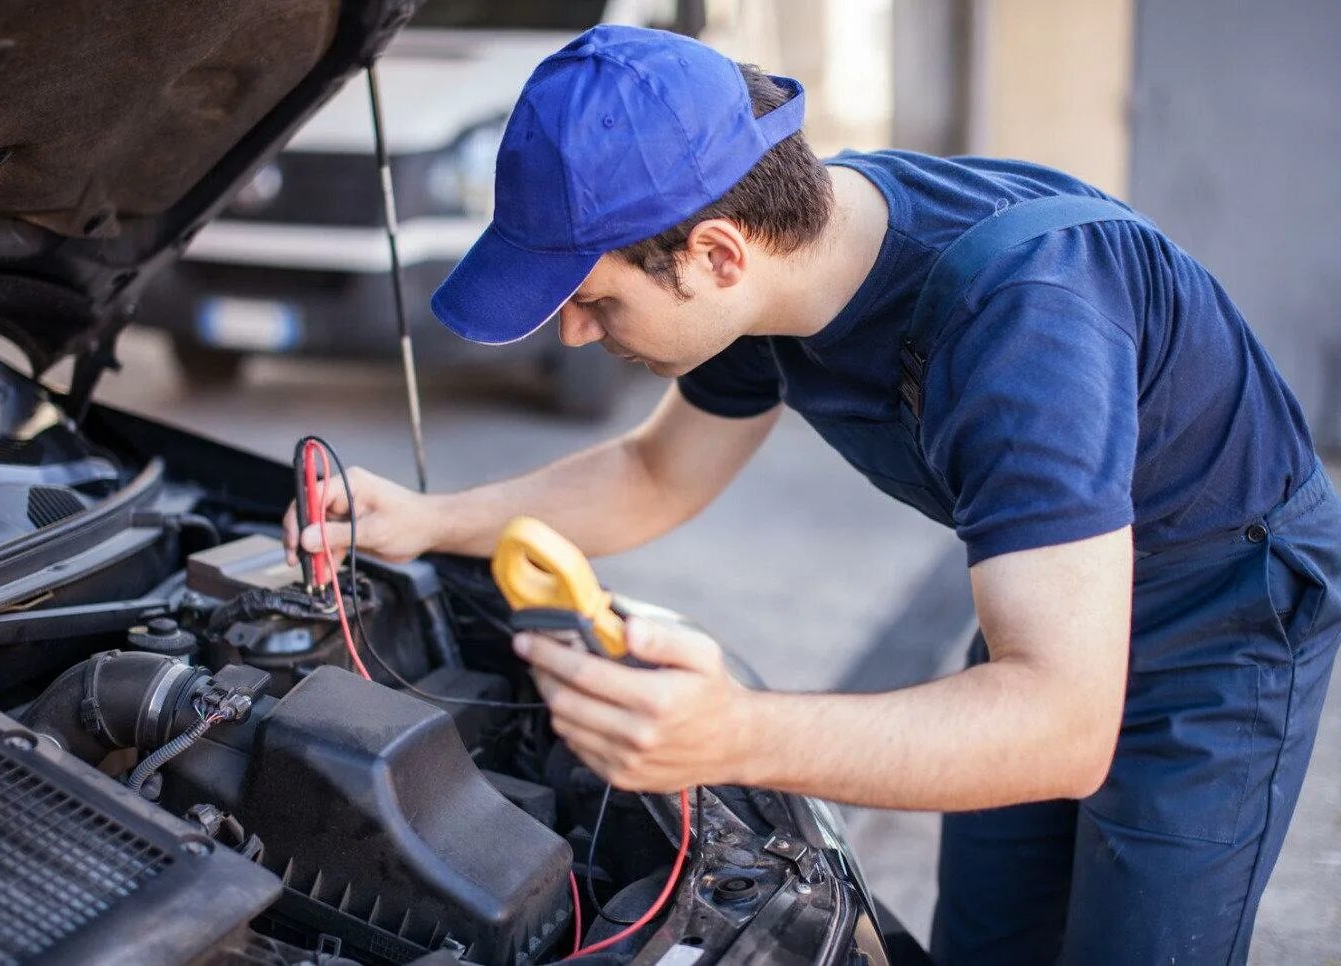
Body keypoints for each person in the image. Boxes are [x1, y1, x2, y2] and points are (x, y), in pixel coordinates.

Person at [283, 25, 1340, 965]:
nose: (570, 331)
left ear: (715, 252)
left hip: (1219, 612)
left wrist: (733, 734)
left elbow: (1060, 723)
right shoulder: (781, 275)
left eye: (592, 297)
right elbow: (652, 474)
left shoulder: (1023, 323)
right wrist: (421, 520)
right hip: (1052, 594)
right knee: (992, 937)